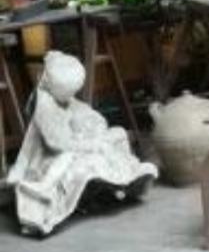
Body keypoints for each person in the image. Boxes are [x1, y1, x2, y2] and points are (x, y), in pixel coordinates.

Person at [4, 50, 157, 236]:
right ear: (52, 87)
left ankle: (123, 179)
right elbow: (57, 143)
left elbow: (83, 111)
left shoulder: (63, 96)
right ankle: (46, 187)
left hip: (79, 138)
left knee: (118, 134)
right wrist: (89, 143)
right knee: (76, 157)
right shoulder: (44, 106)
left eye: (73, 92)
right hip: (53, 153)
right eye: (67, 93)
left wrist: (94, 124)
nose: (71, 96)